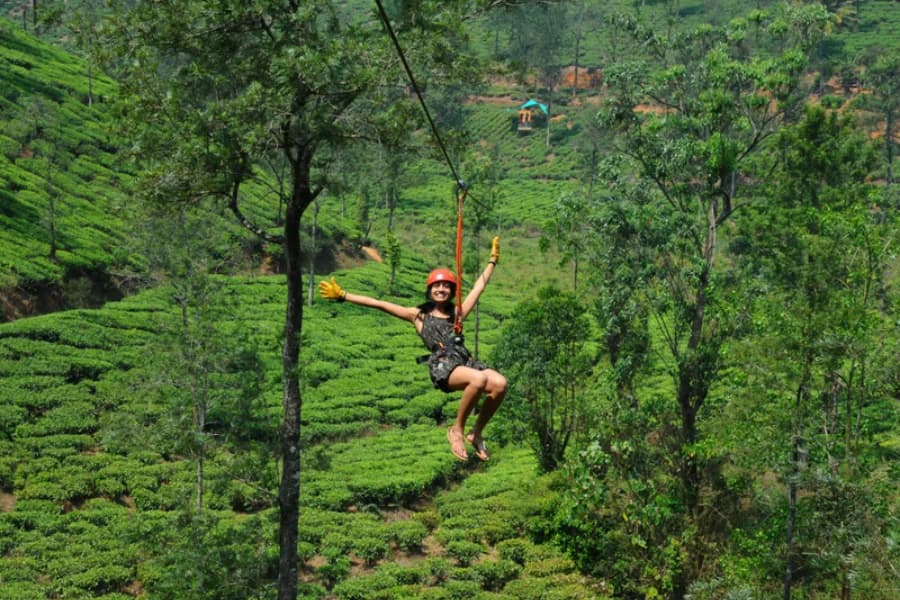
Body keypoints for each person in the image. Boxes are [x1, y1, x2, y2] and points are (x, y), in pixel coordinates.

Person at [318, 237, 507, 461]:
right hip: (444, 365)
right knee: (477, 380)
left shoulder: (457, 314)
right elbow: (380, 304)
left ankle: (476, 433)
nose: (442, 289)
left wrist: (492, 260)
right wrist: (344, 296)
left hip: (464, 361)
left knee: (500, 384)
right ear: (430, 290)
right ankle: (457, 430)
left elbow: (479, 287)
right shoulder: (418, 315)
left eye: (446, 286)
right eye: (437, 286)